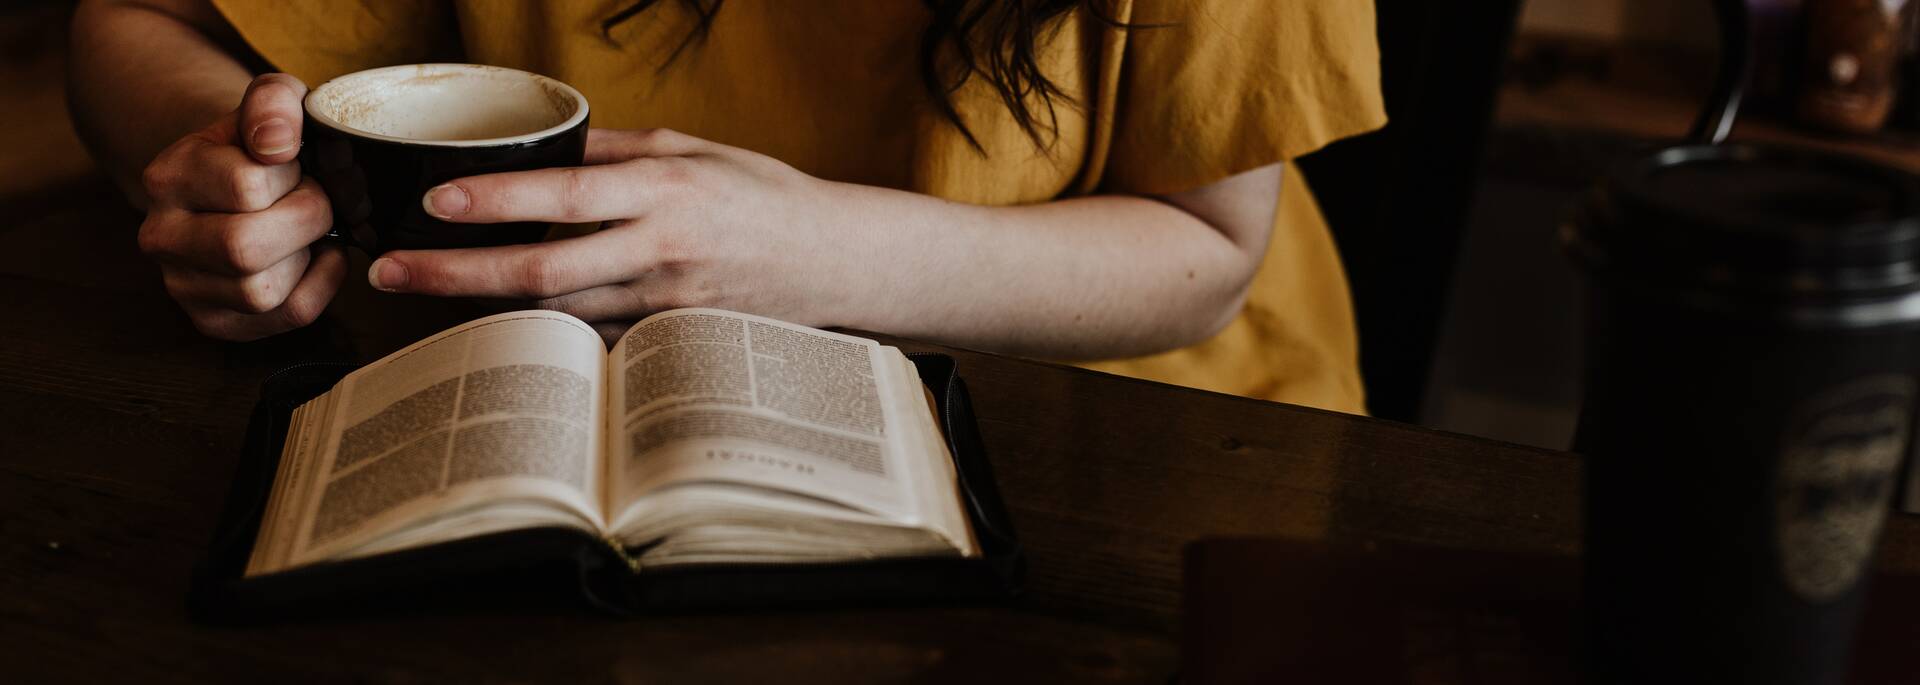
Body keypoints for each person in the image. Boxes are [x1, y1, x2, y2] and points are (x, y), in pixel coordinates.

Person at [69, 0, 1385, 413]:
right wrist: (224, 162)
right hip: (539, 405)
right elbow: (136, 19)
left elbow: (1212, 250)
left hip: (1108, 410)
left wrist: (803, 252)